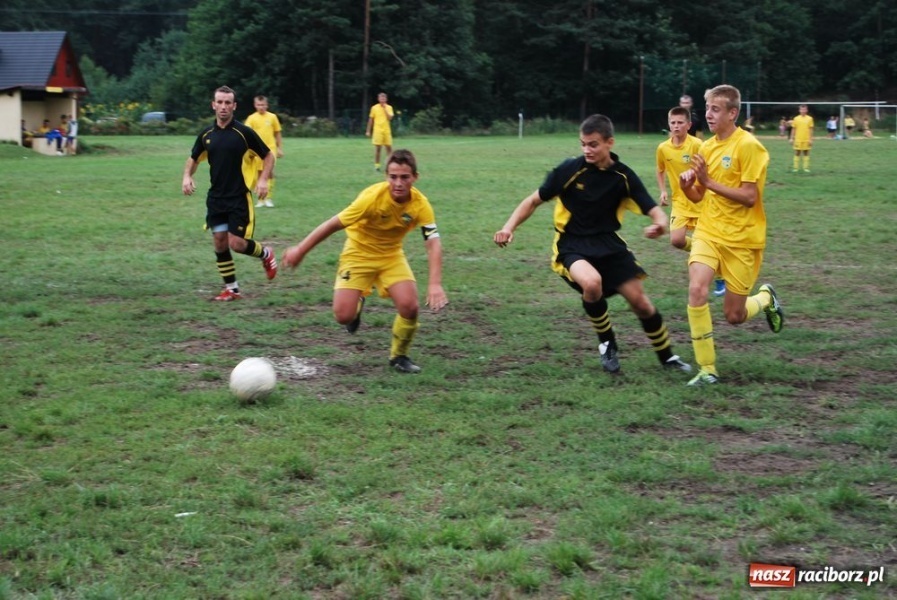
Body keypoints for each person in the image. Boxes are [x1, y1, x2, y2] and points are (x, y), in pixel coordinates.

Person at [494, 114, 692, 375]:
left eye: (593, 144)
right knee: (592, 283)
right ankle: (607, 343)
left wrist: (660, 225)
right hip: (571, 245)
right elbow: (533, 201)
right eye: (583, 144)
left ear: (609, 143)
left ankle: (667, 358)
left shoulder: (623, 176)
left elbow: (653, 209)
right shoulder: (569, 170)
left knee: (641, 303)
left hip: (609, 244)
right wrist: (508, 227)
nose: (587, 149)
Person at [282, 149, 448, 374]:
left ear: (415, 177)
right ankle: (358, 300)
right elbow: (332, 224)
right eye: (393, 177)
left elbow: (433, 243)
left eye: (404, 177)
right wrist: (301, 250)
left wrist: (435, 283)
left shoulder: (420, 205)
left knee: (410, 307)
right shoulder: (371, 198)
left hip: (391, 256)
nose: (398, 183)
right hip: (358, 254)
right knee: (343, 316)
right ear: (386, 176)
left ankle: (399, 356)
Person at [678, 84, 784, 386]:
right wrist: (690, 187)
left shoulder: (749, 146)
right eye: (707, 108)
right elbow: (700, 196)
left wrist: (708, 182)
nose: (708, 115)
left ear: (732, 113)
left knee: (734, 316)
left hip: (742, 239)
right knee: (697, 290)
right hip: (709, 232)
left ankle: (765, 298)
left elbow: (750, 197)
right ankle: (707, 369)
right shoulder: (706, 147)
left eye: (715, 109)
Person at [182, 85, 278, 302]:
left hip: (238, 197)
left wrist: (263, 180)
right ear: (213, 104)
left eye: (228, 103)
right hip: (216, 198)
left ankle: (266, 253)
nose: (223, 107)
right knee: (219, 242)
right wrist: (187, 176)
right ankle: (231, 289)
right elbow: (194, 158)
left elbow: (268, 155)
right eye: (220, 102)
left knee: (237, 243)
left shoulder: (244, 133)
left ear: (234, 106)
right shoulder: (206, 135)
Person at [655, 107, 726, 297]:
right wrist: (663, 191)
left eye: (680, 123)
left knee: (706, 242)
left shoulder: (697, 145)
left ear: (689, 125)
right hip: (680, 202)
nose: (676, 126)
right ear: (668, 124)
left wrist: (693, 173)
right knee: (676, 240)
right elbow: (660, 169)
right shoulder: (663, 148)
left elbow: (706, 168)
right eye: (673, 123)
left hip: (700, 200)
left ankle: (720, 277)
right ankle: (711, 255)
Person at [244, 95, 284, 208]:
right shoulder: (251, 118)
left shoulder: (272, 117)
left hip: (270, 150)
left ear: (267, 105)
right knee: (259, 174)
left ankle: (269, 198)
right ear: (255, 105)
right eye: (258, 105)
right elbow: (247, 134)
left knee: (269, 173)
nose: (261, 107)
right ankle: (261, 199)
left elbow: (277, 133)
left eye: (263, 105)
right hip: (257, 151)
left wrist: (280, 148)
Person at [365, 92, 394, 171]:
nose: (382, 99)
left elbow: (390, 118)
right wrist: (368, 130)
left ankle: (390, 165)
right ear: (378, 99)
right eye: (381, 98)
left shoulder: (389, 107)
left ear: (386, 99)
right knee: (378, 148)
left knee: (389, 148)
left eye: (384, 98)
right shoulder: (374, 108)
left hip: (386, 130)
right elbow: (371, 119)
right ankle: (377, 165)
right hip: (377, 130)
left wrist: (384, 109)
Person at [789, 104, 814, 173]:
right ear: (799, 110)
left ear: (807, 110)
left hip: (806, 139)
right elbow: (793, 129)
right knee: (797, 152)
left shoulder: (810, 118)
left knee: (806, 153)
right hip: (798, 139)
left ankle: (806, 168)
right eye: (801, 109)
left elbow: (811, 129)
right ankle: (795, 168)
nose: (803, 111)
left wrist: (811, 139)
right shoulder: (796, 118)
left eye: (804, 109)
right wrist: (791, 138)